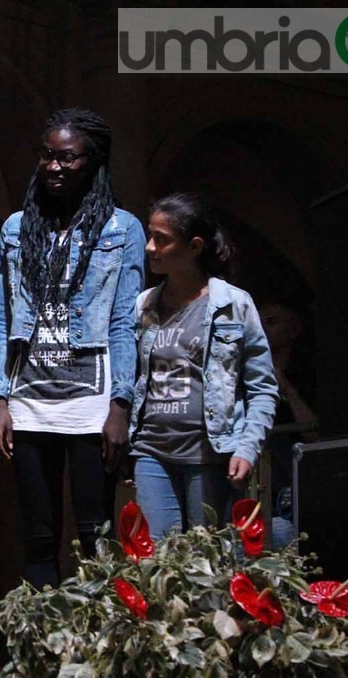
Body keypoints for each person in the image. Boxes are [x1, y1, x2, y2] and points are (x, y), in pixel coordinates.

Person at [0, 108, 144, 590]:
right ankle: (44, 652)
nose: (53, 166)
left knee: (93, 534)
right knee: (37, 535)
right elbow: (0, 318)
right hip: (29, 400)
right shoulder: (16, 228)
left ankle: (93, 653)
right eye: (47, 155)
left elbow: (124, 321)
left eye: (67, 158)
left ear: (92, 162)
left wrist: (120, 404)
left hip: (90, 405)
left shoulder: (122, 229)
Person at [129, 193, 278, 539]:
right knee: (156, 564)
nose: (150, 247)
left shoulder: (232, 304)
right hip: (153, 450)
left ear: (195, 247)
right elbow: (138, 379)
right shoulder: (144, 304)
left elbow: (262, 388)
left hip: (210, 455)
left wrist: (247, 447)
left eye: (162, 240)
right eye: (150, 236)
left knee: (208, 563)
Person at [258, 295, 317, 549]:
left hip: (294, 492)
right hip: (257, 492)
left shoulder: (310, 376)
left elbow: (315, 435)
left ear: (294, 329)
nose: (262, 329)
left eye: (271, 322)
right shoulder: (247, 375)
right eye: (258, 322)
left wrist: (287, 388)